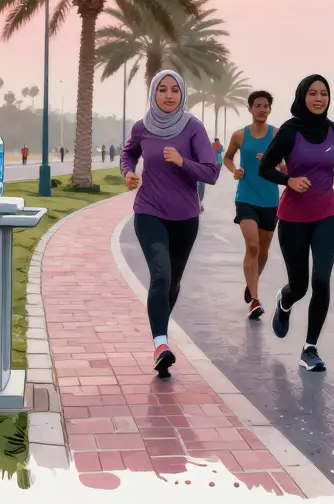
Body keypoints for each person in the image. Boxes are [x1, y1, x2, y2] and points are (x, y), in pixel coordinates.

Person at [120, 70, 221, 377]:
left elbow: (211, 173)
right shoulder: (142, 127)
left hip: (185, 218)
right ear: (153, 93)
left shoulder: (193, 128)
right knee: (161, 275)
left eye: (174, 90)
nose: (167, 95)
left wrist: (182, 161)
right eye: (162, 89)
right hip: (149, 212)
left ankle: (159, 336)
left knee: (173, 282)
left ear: (182, 94)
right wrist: (128, 173)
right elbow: (128, 153)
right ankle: (161, 344)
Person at [259, 75, 334, 371]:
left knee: (321, 280)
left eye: (324, 93)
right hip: (293, 218)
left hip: (327, 215)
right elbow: (264, 168)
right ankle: (285, 301)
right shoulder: (288, 131)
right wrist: (288, 179)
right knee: (299, 286)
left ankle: (309, 348)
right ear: (303, 96)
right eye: (312, 93)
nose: (318, 99)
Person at [224, 90, 281, 319]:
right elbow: (228, 158)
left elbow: (286, 163)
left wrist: (282, 169)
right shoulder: (239, 136)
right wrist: (234, 170)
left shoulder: (277, 135)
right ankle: (255, 300)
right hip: (246, 197)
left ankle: (251, 282)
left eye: (266, 106)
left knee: (264, 252)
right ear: (250, 109)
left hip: (270, 200)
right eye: (258, 105)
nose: (262, 109)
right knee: (253, 246)